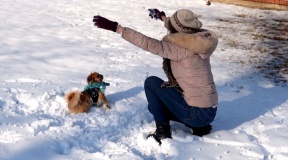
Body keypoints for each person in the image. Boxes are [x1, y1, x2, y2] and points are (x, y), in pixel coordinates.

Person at [93, 8, 218, 145]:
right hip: (210, 112)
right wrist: (162, 17)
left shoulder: (179, 49)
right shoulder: (200, 42)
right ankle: (200, 127)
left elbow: (147, 43)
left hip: (196, 114)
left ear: (179, 29)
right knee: (155, 106)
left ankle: (163, 132)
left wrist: (117, 28)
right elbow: (178, 27)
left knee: (152, 84)